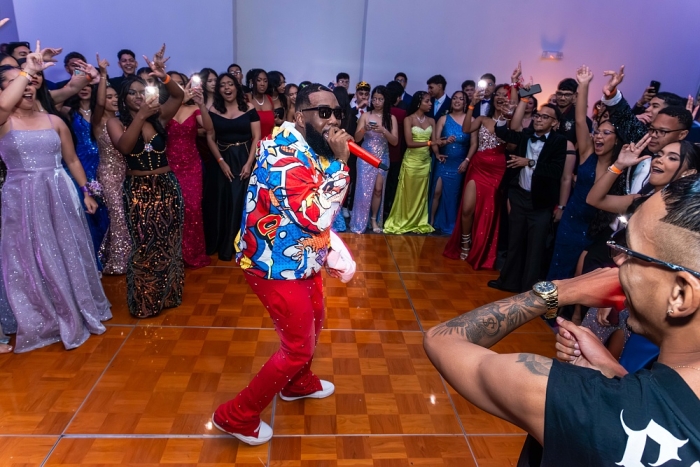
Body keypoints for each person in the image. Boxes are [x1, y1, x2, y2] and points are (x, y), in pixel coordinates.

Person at [426, 172, 700, 465]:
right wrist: (616, 374)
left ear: (681, 294)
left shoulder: (582, 401)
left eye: (631, 253)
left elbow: (443, 341)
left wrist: (561, 290)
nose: (618, 261)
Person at [212, 83, 353, 445]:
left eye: (337, 113)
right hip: (273, 265)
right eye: (324, 113)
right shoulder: (283, 156)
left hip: (302, 257)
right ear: (299, 116)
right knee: (297, 346)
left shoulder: (309, 146)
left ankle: (297, 383)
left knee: (316, 320)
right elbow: (316, 215)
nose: (334, 121)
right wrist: (341, 165)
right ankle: (236, 416)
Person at [0, 49, 111, 352]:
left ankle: (72, 308)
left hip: (58, 193)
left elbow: (72, 160)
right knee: (27, 257)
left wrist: (86, 191)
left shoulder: (53, 120)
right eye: (16, 81)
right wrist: (26, 70)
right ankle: (40, 315)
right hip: (21, 196)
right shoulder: (4, 120)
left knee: (65, 251)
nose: (27, 85)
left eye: (31, 81)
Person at [106, 44, 185, 318]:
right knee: (144, 245)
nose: (139, 96)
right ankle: (145, 301)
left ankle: (168, 294)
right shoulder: (115, 123)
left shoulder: (159, 116)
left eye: (143, 91)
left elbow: (179, 95)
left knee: (169, 242)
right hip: (138, 191)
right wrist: (140, 116)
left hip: (167, 186)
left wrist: (164, 76)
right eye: (133, 93)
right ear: (124, 97)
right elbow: (125, 147)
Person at [547, 66, 623, 281]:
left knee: (584, 276)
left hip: (598, 229)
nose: (598, 136)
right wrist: (584, 84)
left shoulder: (621, 164)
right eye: (597, 132)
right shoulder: (587, 154)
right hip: (571, 222)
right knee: (560, 269)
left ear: (617, 139)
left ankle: (574, 305)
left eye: (605, 133)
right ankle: (552, 303)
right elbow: (580, 120)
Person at [487, 103, 567, 292]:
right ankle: (507, 282)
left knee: (535, 248)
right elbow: (502, 132)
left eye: (545, 117)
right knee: (514, 242)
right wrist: (503, 116)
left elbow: (555, 171)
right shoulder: (526, 135)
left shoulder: (559, 141)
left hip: (540, 203)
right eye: (538, 115)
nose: (539, 119)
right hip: (520, 196)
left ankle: (527, 290)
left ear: (554, 122)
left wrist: (529, 162)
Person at [444, 84, 510, 266]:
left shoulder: (510, 122)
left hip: (497, 170)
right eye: (498, 95)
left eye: (505, 95)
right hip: (478, 167)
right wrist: (472, 104)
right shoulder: (482, 118)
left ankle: (481, 248)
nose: (501, 98)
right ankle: (465, 243)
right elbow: (466, 129)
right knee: (467, 208)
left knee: (488, 211)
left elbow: (512, 143)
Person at [203, 73, 260, 261]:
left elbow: (256, 137)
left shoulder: (249, 108)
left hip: (244, 158)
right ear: (218, 90)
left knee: (240, 201)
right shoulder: (213, 109)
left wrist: (249, 163)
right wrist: (221, 162)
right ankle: (222, 243)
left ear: (237, 86)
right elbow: (210, 137)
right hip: (221, 160)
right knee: (221, 201)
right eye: (222, 85)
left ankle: (240, 244)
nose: (227, 88)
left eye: (230, 84)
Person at [165, 72, 213, 269]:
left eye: (181, 83)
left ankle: (192, 253)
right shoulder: (162, 110)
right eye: (173, 84)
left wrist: (201, 104)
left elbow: (209, 128)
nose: (178, 87)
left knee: (192, 208)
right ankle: (173, 254)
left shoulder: (194, 108)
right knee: (171, 208)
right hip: (168, 164)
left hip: (191, 165)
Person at [62, 83, 110, 267]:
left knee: (105, 206)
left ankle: (108, 254)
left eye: (88, 85)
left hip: (101, 160)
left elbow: (101, 104)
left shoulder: (101, 113)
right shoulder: (68, 112)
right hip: (79, 161)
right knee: (86, 207)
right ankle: (92, 257)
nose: (84, 88)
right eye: (81, 85)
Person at [92, 53, 130, 275]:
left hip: (127, 172)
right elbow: (98, 103)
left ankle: (117, 254)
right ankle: (118, 261)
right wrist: (103, 75)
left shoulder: (123, 120)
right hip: (108, 174)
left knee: (127, 216)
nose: (113, 99)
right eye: (109, 97)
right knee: (118, 216)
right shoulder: (99, 121)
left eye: (116, 96)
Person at [384, 92, 435, 235]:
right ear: (419, 103)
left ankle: (418, 221)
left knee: (421, 194)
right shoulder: (408, 119)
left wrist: (438, 151)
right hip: (411, 161)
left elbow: (436, 141)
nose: (430, 104)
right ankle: (403, 220)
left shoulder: (432, 121)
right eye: (427, 101)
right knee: (407, 192)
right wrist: (430, 143)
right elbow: (410, 143)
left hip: (425, 162)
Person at [350, 85, 398, 233]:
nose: (377, 102)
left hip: (382, 156)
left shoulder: (391, 118)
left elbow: (395, 141)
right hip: (365, 157)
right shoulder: (365, 115)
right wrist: (365, 129)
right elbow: (357, 138)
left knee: (378, 189)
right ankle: (360, 221)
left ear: (386, 100)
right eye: (375, 99)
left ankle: (374, 219)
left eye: (380, 99)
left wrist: (384, 130)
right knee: (363, 189)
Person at [430, 91, 469, 234]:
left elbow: (474, 144)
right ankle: (431, 221)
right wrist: (437, 152)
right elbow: (435, 141)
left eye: (461, 99)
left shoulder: (470, 119)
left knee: (452, 195)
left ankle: (447, 223)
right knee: (437, 191)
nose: (457, 101)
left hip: (458, 163)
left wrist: (467, 161)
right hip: (443, 160)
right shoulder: (443, 118)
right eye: (455, 98)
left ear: (465, 103)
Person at [554, 77, 592, 145]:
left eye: (567, 95)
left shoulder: (582, 119)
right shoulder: (549, 113)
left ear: (575, 96)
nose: (562, 98)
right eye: (560, 94)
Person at [248, 69, 275, 138]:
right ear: (252, 82)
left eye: (265, 81)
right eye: (258, 80)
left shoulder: (269, 99)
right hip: (251, 142)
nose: (262, 84)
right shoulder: (246, 98)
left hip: (268, 142)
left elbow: (273, 125)